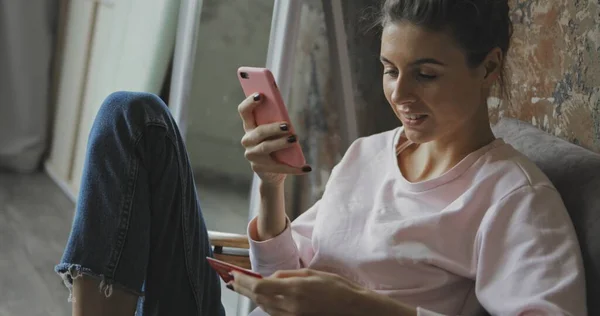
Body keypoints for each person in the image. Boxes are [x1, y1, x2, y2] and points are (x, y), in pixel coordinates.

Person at [56, 0, 587, 315]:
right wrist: (269, 186)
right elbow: (284, 276)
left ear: (489, 66)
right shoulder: (367, 155)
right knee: (133, 115)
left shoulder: (513, 198)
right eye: (388, 69)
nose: (400, 94)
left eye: (426, 73)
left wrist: (363, 310)